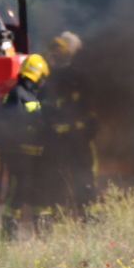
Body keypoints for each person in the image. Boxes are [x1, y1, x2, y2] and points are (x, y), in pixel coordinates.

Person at [43, 31, 97, 216]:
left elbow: (88, 105)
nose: (54, 57)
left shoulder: (54, 78)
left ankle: (78, 212)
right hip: (70, 138)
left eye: (56, 53)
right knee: (75, 175)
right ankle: (82, 213)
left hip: (69, 138)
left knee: (76, 176)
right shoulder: (54, 78)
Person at [0, 53, 51, 240]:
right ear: (38, 75)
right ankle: (8, 238)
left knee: (41, 193)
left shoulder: (30, 95)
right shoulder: (16, 94)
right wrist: (38, 123)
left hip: (35, 155)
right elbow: (13, 122)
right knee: (17, 194)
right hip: (19, 155)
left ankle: (44, 235)